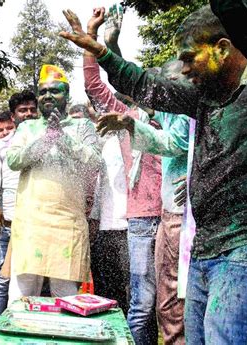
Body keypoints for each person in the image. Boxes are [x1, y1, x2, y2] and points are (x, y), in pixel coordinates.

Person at [61, 5, 247, 344]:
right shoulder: (202, 99)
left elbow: (240, 16)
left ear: (224, 48)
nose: (183, 70)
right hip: (203, 250)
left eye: (188, 58)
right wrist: (103, 54)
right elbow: (145, 85)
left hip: (245, 253)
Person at [84, 8, 162, 342]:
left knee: (174, 304)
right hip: (143, 219)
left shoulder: (183, 114)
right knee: (142, 304)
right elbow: (95, 85)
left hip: (181, 220)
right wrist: (94, 38)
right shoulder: (127, 117)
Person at [6, 65, 101, 301]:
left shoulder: (83, 127)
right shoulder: (28, 127)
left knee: (66, 298)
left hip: (67, 223)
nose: (47, 96)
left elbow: (95, 162)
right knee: (21, 297)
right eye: (43, 92)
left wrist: (64, 140)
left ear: (67, 97)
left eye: (55, 91)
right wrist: (45, 141)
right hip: (31, 224)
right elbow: (13, 160)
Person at [0, 93, 38, 321]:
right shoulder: (3, 145)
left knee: (34, 279)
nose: (28, 114)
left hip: (39, 224)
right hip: (11, 225)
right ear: (14, 116)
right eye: (22, 110)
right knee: (1, 279)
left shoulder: (45, 138)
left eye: (32, 109)